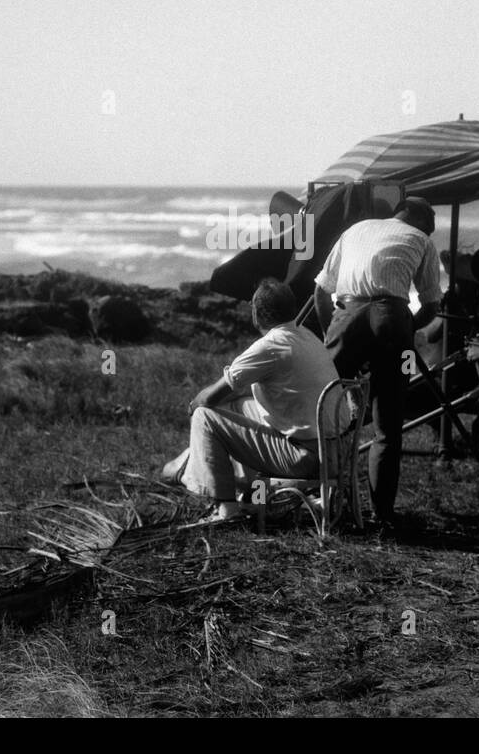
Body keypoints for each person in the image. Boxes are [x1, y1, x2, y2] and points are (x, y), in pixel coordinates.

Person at [162, 279, 344, 523]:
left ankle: (226, 507)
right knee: (241, 404)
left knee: (204, 417)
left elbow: (206, 399)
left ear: (258, 313)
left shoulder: (269, 346)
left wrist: (195, 404)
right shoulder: (306, 335)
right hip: (334, 450)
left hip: (305, 459)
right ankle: (244, 489)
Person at [313, 197, 443, 526]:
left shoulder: (355, 229)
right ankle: (381, 515)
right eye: (429, 223)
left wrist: (336, 331)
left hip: (348, 312)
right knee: (388, 424)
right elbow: (431, 306)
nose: (430, 229)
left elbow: (320, 291)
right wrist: (403, 329)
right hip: (393, 317)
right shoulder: (423, 240)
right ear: (418, 216)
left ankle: (320, 497)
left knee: (322, 402)